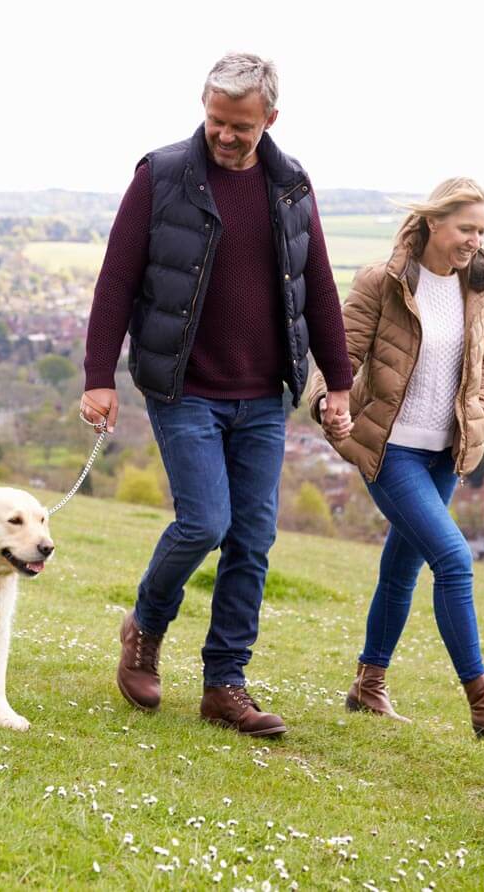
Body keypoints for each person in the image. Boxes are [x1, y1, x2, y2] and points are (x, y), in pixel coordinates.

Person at [80, 52, 353, 737]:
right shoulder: (163, 174)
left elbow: (317, 287)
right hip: (184, 387)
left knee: (253, 539)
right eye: (215, 121)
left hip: (263, 394)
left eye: (240, 125)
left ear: (270, 118)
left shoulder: (290, 185)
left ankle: (225, 684)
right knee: (205, 522)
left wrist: (339, 383)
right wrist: (97, 378)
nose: (225, 136)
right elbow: (116, 280)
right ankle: (144, 627)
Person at [307, 177, 484, 742]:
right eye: (466, 228)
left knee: (402, 568)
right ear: (434, 223)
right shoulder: (381, 282)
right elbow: (341, 352)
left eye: (481, 230)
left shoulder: (475, 288)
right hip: (390, 450)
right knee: (454, 560)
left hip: (444, 453)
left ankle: (368, 682)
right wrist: (323, 401)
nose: (474, 241)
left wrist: (483, 410)